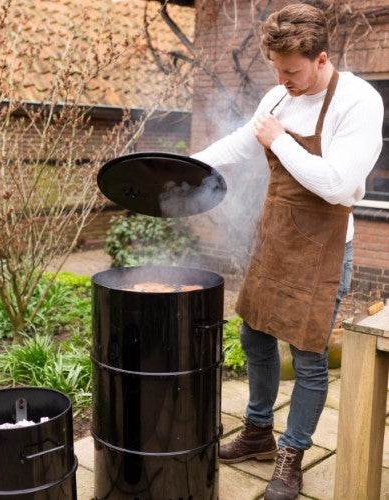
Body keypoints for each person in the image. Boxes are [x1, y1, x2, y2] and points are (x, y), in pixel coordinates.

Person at [191, 4, 383, 500]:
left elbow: (339, 185)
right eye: (276, 69)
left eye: (291, 71)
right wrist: (182, 167)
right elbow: (240, 142)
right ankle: (257, 432)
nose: (282, 80)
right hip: (275, 238)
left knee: (310, 358)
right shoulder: (279, 96)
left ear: (321, 59)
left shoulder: (358, 102)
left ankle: (292, 456)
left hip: (321, 249)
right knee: (253, 336)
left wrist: (281, 141)